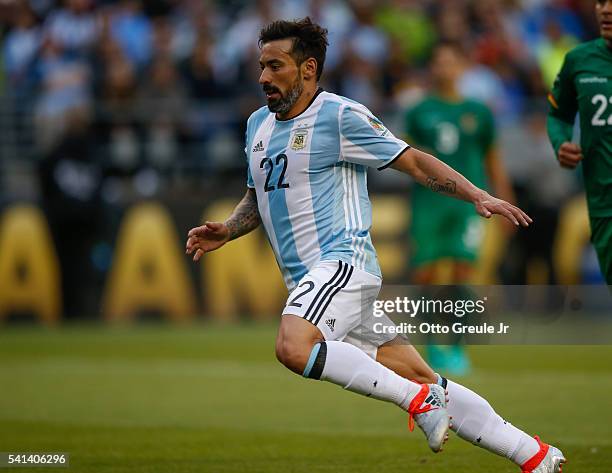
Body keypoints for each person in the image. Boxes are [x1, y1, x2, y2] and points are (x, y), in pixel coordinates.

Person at [186, 18, 564, 472]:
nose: (263, 77)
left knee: (293, 345)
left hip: (342, 264)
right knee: (424, 375)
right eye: (261, 66)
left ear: (308, 68)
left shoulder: (340, 115)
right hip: (314, 282)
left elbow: (416, 163)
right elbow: (257, 193)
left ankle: (418, 402)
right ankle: (534, 454)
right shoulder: (256, 126)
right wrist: (229, 229)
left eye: (275, 66)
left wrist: (478, 194)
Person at [403, 42, 517, 375]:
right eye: (438, 62)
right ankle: (429, 345)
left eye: (451, 62)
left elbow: (493, 159)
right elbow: (406, 158)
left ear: (462, 67)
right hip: (428, 203)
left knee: (462, 272)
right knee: (424, 274)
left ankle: (455, 345)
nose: (444, 69)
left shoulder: (478, 112)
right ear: (432, 68)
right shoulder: (418, 110)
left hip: (467, 204)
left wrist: (504, 199)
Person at [547, 0, 612, 285]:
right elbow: (558, 115)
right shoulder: (579, 60)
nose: (606, 9)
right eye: (600, 2)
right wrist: (561, 142)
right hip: (602, 201)